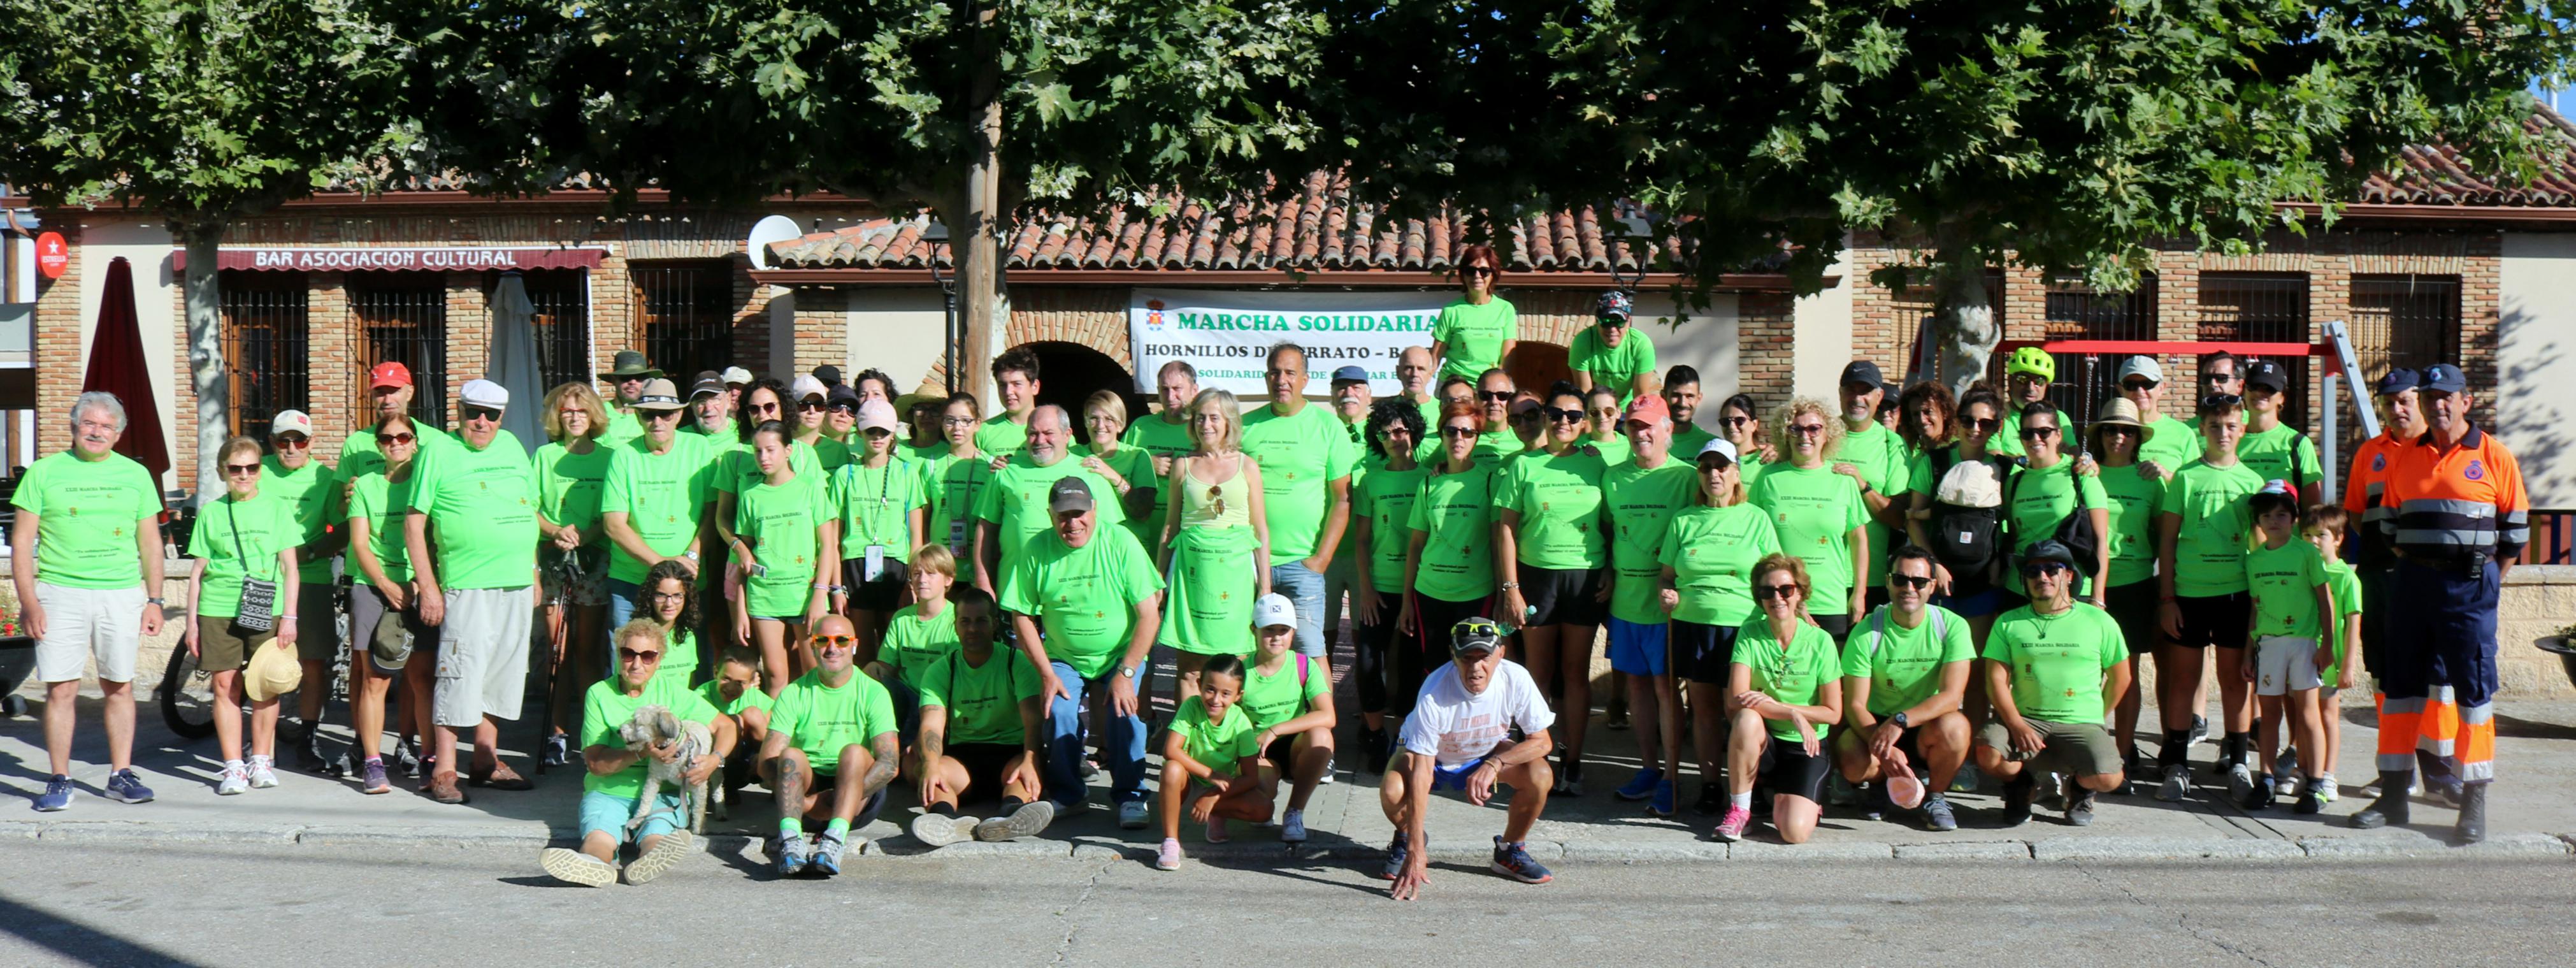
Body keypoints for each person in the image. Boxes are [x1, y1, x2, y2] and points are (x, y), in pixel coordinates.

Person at [2356, 363, 2525, 843]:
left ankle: (2471, 803)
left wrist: (2483, 580)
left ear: (2465, 401)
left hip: (2467, 591)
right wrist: (2419, 564)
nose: (2437, 405)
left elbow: (2513, 536)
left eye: (2446, 396)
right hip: (2412, 584)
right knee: (2400, 689)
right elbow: (2387, 525)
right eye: (2430, 397)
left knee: (2472, 696)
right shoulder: (2404, 456)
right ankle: (2392, 796)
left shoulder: (2494, 456)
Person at [405, 379, 543, 804]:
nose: (481, 422)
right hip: (466, 581)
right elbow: (414, 523)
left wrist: (535, 571)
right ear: (460, 410)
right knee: (458, 672)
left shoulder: (514, 447)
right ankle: (444, 769)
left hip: (516, 578)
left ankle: (485, 759)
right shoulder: (437, 451)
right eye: (472, 413)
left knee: (500, 671)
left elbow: (530, 510)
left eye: (491, 415)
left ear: (503, 416)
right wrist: (428, 586)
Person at [999, 477, 1166, 827]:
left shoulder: (1121, 541)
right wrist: (1046, 673)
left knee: (1126, 712)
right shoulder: (1037, 549)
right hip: (1064, 655)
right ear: (1050, 515)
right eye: (1062, 516)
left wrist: (1127, 673)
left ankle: (1132, 795)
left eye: (1079, 513)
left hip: (1120, 654)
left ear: (1094, 510)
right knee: (1058, 710)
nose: (1072, 523)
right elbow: (1022, 615)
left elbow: (1150, 613)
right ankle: (1069, 794)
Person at [539, 618, 733, 887]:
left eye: (648, 656)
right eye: (628, 654)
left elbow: (726, 726)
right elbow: (595, 763)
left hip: (661, 791)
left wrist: (714, 761)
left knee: (656, 837)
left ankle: (648, 861)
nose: (637, 663)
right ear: (618, 654)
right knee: (599, 838)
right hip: (609, 791)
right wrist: (643, 753)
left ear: (659, 659)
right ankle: (595, 865)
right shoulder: (599, 694)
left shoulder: (672, 692)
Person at [1379, 618, 1557, 898]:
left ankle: (1510, 851)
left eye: (1484, 657)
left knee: (1541, 775)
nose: (1475, 668)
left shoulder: (1516, 677)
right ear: (1453, 655)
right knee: (1393, 790)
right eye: (1466, 658)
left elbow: (1542, 742)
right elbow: (1423, 770)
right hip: (1432, 756)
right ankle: (1406, 837)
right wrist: (1417, 848)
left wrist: (1495, 763)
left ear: (1501, 653)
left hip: (1485, 751)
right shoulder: (1434, 691)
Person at [1495, 380, 1613, 793]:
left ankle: (1574, 762)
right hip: (1536, 578)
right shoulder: (1523, 466)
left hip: (1583, 579)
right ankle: (1537, 758)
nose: (1564, 421)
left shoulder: (1597, 463)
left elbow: (1612, 524)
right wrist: (1510, 587)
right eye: (1557, 414)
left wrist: (1611, 569)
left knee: (1575, 674)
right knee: (1537, 675)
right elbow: (1506, 529)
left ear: (1584, 423)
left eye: (1574, 415)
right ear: (1545, 417)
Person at [1975, 540, 2133, 827]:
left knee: (2110, 777)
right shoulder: (2009, 623)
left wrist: (2096, 716)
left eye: (2051, 569)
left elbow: (2122, 677)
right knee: (1988, 752)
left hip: (2080, 723)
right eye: (2033, 572)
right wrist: (2017, 724)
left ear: (2069, 576)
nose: (2042, 577)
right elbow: (1995, 679)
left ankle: (2080, 790)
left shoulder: (2099, 621)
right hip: (2026, 719)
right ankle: (2021, 786)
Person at [2154, 391, 2264, 802]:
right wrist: (2168, 599)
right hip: (2189, 595)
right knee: (2183, 680)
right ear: (2201, 428)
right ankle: (2177, 764)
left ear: (2242, 428)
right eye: (2214, 425)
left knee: (2235, 682)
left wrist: (2258, 605)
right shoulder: (2185, 476)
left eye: (2231, 425)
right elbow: (2166, 540)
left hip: (2235, 595)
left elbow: (2257, 547)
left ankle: (2237, 761)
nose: (2222, 432)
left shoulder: (2251, 482)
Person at [1660, 438, 1780, 816]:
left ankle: (1748, 787)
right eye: (1707, 467)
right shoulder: (1684, 519)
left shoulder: (1756, 517)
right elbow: (1666, 575)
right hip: (1691, 625)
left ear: (1735, 472)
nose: (1714, 474)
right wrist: (1667, 593)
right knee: (1704, 711)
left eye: (1722, 467)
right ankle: (1711, 786)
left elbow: (1772, 573)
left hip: (1742, 628)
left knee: (1739, 710)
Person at [186, 435, 305, 795]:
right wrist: (191, 622)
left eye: (252, 468)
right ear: (223, 471)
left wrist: (290, 617)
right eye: (236, 468)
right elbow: (197, 572)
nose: (244, 475)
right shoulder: (211, 512)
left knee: (266, 685)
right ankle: (233, 766)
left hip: (265, 607)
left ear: (260, 471)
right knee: (225, 685)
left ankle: (262, 761)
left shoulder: (276, 508)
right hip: (218, 607)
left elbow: (290, 568)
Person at [1600, 394, 1696, 815]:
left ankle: (1674, 777)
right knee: (1637, 687)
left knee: (1664, 689)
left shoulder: (1688, 477)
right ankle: (1648, 768)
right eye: (1633, 425)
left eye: (1648, 425)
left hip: (1667, 606)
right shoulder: (1613, 477)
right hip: (1625, 601)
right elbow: (1605, 530)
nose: (1641, 433)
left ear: (1667, 428)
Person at [1836, 547, 1975, 830]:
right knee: (1850, 754)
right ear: (1888, 582)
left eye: (1919, 582)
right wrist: (1884, 747)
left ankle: (1935, 796)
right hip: (1877, 724)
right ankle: (1880, 786)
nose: (1908, 588)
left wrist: (1900, 722)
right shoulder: (1866, 631)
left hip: (1925, 726)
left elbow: (1951, 696)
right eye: (1900, 580)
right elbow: (1855, 706)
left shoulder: (1952, 626)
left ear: (1932, 586)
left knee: (1957, 728)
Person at [1242, 343, 1361, 667]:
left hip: (1302, 564)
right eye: (1275, 372)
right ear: (1266, 377)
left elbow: (1343, 498)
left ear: (1305, 379)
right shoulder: (1245, 427)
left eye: (1290, 373)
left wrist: (1321, 559)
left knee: (1311, 650)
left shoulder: (1327, 426)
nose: (1282, 380)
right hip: (1250, 562)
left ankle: (1322, 719)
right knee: (1248, 650)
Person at [907, 587, 1053, 848]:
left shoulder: (1016, 662)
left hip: (1009, 754)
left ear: (994, 624)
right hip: (962, 758)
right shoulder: (942, 670)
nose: (973, 629)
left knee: (1026, 770)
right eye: (965, 621)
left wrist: (1032, 759)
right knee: (929, 771)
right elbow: (931, 725)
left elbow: (1033, 719)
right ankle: (946, 822)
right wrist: (929, 765)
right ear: (956, 626)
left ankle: (1009, 817)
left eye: (981, 621)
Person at [1714, 554, 1844, 844]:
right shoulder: (1750, 633)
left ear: (1799, 593)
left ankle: (1801, 805)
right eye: (1767, 591)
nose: (1777, 598)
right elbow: (1736, 701)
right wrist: (1793, 714)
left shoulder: (1820, 641)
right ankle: (1740, 812)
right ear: (1759, 597)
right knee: (1747, 718)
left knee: (1793, 833)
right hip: (1767, 742)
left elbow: (1833, 713)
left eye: (1786, 590)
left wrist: (1782, 707)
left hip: (1805, 746)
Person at [763, 614, 902, 877]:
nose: (832, 647)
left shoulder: (874, 692)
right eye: (822, 640)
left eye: (841, 640)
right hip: (805, 793)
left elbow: (889, 765)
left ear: (854, 645)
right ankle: (791, 842)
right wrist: (805, 803)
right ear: (813, 645)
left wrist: (839, 799)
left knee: (853, 753)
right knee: (790, 754)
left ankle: (835, 841)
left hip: (859, 796)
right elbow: (767, 762)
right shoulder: (794, 693)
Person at [1158, 387, 1269, 700]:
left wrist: (1265, 586)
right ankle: (1187, 739)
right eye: (1200, 417)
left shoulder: (1247, 466)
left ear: (1229, 422)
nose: (1206, 425)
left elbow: (1259, 528)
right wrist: (1159, 579)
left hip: (1236, 578)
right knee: (1191, 668)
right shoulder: (1183, 466)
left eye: (1214, 418)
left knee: (1235, 665)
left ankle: (1231, 742)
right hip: (1192, 575)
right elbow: (1170, 525)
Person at [343, 414, 432, 794]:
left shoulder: (427, 482)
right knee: (374, 679)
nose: (395, 443)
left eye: (403, 436)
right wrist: (384, 583)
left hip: (417, 585)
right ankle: (374, 762)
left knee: (422, 678)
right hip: (372, 586)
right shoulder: (364, 484)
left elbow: (434, 537)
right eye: (387, 438)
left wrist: (420, 582)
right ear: (378, 445)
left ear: (415, 442)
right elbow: (361, 544)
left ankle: (428, 758)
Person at [533, 383, 616, 769]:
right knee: (558, 653)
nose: (574, 417)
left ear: (594, 416)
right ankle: (557, 733)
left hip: (595, 560)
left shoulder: (610, 457)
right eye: (567, 411)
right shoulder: (543, 456)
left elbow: (614, 514)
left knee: (588, 652)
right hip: (554, 561)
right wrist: (555, 533)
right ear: (557, 416)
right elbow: (531, 509)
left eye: (582, 412)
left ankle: (590, 732)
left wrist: (586, 537)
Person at [257, 410, 345, 772]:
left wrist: (307, 552)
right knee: (261, 661)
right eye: (284, 441)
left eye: (301, 441)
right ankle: (261, 745)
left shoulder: (325, 478)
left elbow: (341, 532)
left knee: (312, 665)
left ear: (311, 443)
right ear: (272, 443)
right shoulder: (255, 470)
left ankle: (307, 742)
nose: (292, 448)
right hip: (263, 579)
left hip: (311, 579)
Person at [721, 421, 838, 688]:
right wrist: (740, 609)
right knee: (775, 675)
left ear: (788, 450)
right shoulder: (751, 497)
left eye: (771, 450)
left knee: (814, 672)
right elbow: (744, 559)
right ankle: (775, 730)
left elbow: (828, 545)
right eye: (758, 451)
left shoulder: (810, 487)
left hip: (805, 596)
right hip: (764, 598)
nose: (764, 458)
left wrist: (821, 594)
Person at [2240, 480, 2333, 813]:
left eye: (2281, 514)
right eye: (2266, 516)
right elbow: (2254, 607)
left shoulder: (2307, 552)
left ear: (2294, 519)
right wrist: (2249, 652)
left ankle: (2317, 784)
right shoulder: (2253, 561)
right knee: (2269, 715)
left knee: (2308, 714)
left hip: (2304, 644)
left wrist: (2328, 645)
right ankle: (2265, 781)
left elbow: (2325, 601)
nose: (2273, 521)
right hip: (2269, 644)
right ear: (2259, 522)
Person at [2088, 398, 2169, 773]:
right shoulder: (2087, 473)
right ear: (2099, 434)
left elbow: (2163, 532)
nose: (2118, 436)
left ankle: (2123, 750)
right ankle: (2088, 745)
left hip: (2136, 583)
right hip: (2090, 585)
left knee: (2126, 672)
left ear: (2137, 437)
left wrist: (2167, 476)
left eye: (2126, 430)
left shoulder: (2149, 480)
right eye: (2110, 429)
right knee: (2087, 673)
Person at [1349, 398, 1430, 772]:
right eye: (1385, 434)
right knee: (1368, 664)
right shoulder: (1371, 480)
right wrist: (1365, 589)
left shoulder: (1429, 476)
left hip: (1419, 588)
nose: (1394, 438)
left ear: (1413, 430)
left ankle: (1406, 739)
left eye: (1400, 430)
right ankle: (1376, 735)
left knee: (1411, 668)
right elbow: (1362, 540)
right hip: (1378, 587)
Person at [1748, 397, 1869, 640]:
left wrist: (1859, 593)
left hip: (1830, 600)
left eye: (1814, 428)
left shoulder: (1843, 481)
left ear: (1827, 435)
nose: (1805, 435)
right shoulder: (1768, 478)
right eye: (1796, 428)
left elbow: (1859, 541)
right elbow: (1751, 536)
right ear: (1786, 434)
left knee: (1831, 677)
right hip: (1779, 599)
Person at [2342, 367, 2426, 714]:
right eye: (2389, 403)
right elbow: (2357, 514)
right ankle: (2393, 745)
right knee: (2381, 661)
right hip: (2377, 573)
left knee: (2425, 661)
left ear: (2420, 401)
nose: (2397, 410)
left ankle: (2430, 751)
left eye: (2405, 401)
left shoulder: (2437, 448)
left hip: (2425, 574)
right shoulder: (2369, 453)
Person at [972, 405, 1127, 593]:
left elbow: (1114, 537)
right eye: (1032, 433)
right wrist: (983, 582)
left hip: (1075, 597)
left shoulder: (1091, 474)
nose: (1040, 440)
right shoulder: (1005, 471)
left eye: (1048, 433)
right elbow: (986, 529)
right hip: (1015, 593)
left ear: (1067, 434)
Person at [599, 379, 714, 630]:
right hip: (631, 580)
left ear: (679, 415)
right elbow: (613, 525)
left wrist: (690, 557)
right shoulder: (623, 456)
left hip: (687, 581)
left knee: (690, 660)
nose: (658, 422)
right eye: (650, 415)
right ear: (638, 416)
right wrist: (663, 565)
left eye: (665, 414)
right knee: (629, 661)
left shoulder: (699, 447)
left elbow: (712, 512)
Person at [1400, 401, 1500, 688]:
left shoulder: (1491, 481)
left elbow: (1497, 543)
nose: (1459, 438)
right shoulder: (1429, 484)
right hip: (1430, 593)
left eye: (1467, 432)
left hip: (1476, 593)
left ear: (1477, 437)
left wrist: (1505, 593)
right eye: (1451, 431)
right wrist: (1407, 601)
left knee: (1476, 670)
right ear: (1442, 434)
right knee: (1435, 671)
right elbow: (1417, 545)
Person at [1153, 655, 1269, 871]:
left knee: (1264, 810)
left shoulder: (1241, 723)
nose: (1216, 699)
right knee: (1172, 768)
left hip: (1221, 786)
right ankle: (1170, 842)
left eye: (1226, 694)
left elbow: (1251, 777)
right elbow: (1170, 750)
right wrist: (1208, 774)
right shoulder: (1191, 707)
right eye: (1210, 689)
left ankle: (1215, 812)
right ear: (1199, 685)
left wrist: (1212, 796)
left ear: (1238, 696)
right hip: (1191, 779)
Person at [1239, 593, 1337, 842]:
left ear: (1293, 633)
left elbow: (1328, 715)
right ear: (1254, 630)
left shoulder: (1305, 665)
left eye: (1283, 630)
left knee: (1322, 737)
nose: (1276, 637)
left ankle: (1295, 811)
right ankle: (1265, 802)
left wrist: (1276, 730)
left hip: (1294, 744)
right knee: (1261, 806)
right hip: (1257, 748)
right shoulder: (1240, 669)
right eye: (1269, 629)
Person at [830, 399, 925, 654]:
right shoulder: (845, 474)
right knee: (860, 648)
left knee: (893, 648)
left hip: (896, 565)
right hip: (856, 564)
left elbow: (917, 536)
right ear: (859, 432)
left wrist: (912, 582)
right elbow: (834, 540)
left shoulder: (907, 472)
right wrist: (837, 587)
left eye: (883, 431)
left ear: (893, 434)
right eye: (871, 430)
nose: (877, 437)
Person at [2003, 402, 2112, 598]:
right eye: (2028, 433)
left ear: (2059, 435)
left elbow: (2101, 541)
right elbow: (2013, 535)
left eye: (2044, 432)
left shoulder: (2081, 474)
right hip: (2022, 589)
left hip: (2072, 589)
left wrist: (2098, 596)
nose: (2035, 439)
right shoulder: (2014, 481)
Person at [2301, 503, 2364, 803]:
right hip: (2302, 657)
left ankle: (2328, 775)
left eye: (2321, 535)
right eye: (2307, 534)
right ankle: (2306, 771)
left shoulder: (2346, 578)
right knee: (2304, 716)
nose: (2313, 541)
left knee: (2328, 717)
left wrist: (2348, 665)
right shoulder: (2302, 570)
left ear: (2338, 538)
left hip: (2330, 662)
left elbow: (2354, 624)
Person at [1835, 363, 1910, 607]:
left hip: (1870, 579)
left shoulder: (1892, 444)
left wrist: (1863, 486)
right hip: (1821, 575)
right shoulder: (1820, 433)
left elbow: (1899, 518)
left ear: (1879, 396)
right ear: (1840, 394)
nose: (1857, 398)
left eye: (1865, 391)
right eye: (1851, 390)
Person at [867, 542, 961, 726]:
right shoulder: (901, 618)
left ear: (948, 579)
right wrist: (874, 669)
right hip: (907, 695)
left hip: (941, 698)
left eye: (931, 573)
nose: (922, 580)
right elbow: (886, 666)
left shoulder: (958, 618)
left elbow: (957, 675)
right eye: (917, 574)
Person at [1119, 360, 1202, 559]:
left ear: (1194, 390)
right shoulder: (1140, 428)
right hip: (1142, 534)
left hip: (1187, 536)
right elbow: (1117, 470)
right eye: (1164, 389)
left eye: (1177, 389)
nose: (1170, 396)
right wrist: (1146, 467)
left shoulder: (1202, 430)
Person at [1325, 365, 1377, 656]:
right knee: (1321, 636)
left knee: (1365, 637)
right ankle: (1321, 700)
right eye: (1342, 388)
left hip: (1367, 552)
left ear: (1369, 394)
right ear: (1332, 395)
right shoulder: (1320, 431)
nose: (1349, 394)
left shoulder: (1382, 435)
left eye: (1357, 387)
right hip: (1327, 551)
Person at [1074, 389, 1158, 553]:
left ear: (1120, 425)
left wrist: (1114, 477)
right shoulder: (1072, 454)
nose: (1100, 426)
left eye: (1109, 419)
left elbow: (1143, 513)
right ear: (1085, 422)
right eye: (1094, 418)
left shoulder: (1137, 456)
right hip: (1088, 549)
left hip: (1128, 547)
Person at [338, 361, 454, 479]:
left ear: (410, 393)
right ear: (372, 396)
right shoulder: (355, 444)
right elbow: (340, 493)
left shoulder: (435, 439)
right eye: (380, 393)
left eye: (394, 391)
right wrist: (348, 493)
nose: (388, 400)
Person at [1430, 243, 1517, 383]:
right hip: (1453, 386)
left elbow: (1507, 359)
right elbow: (1434, 358)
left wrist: (1494, 387)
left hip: (1488, 388)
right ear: (1463, 275)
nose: (1477, 276)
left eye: (1484, 271)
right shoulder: (1451, 310)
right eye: (1471, 271)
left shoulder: (1505, 310)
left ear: (1493, 275)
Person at [2236, 360, 2324, 493]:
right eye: (2255, 386)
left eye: (2270, 389)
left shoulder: (2298, 443)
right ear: (2244, 391)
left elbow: (2312, 510)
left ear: (2282, 397)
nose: (2261, 392)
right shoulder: (2231, 438)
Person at [700, 646, 772, 803]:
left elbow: (778, 722)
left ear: (752, 682)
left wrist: (765, 755)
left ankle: (771, 773)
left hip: (751, 759)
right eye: (726, 678)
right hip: (721, 761)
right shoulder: (701, 697)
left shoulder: (754, 696)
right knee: (732, 722)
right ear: (715, 672)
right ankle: (727, 785)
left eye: (740, 683)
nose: (731, 688)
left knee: (753, 714)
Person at [926, 393, 995, 559]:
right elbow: (923, 518)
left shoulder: (990, 465)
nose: (957, 428)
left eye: (965, 421)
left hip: (978, 562)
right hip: (939, 563)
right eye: (950, 420)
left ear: (977, 424)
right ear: (942, 424)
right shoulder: (931, 465)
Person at [2113, 356, 2202, 470]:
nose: (2140, 391)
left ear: (2161, 388)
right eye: (2131, 385)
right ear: (2121, 390)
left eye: (2147, 384)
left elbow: (2194, 481)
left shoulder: (2183, 434)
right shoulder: (2110, 432)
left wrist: (2166, 476)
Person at [1569, 290, 1659, 402]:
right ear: (1597, 320)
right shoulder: (1583, 342)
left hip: (1629, 408)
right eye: (1606, 321)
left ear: (1628, 321)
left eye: (1619, 322)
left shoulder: (1640, 344)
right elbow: (1585, 393)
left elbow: (1640, 396)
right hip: (1598, 408)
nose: (1612, 329)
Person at [1988, 347, 2055, 458]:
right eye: (2023, 379)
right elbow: (1996, 460)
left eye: (2039, 381)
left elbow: (2072, 457)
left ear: (2046, 386)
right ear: (2010, 381)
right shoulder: (1996, 416)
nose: (2030, 388)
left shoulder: (2058, 418)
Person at [975, 346, 1042, 456]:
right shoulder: (983, 432)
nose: (1008, 392)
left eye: (1017, 384)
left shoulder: (1055, 432)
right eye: (1002, 385)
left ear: (1035, 387)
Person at [787, 375, 851, 470]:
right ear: (791, 407)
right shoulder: (782, 449)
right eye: (803, 405)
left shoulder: (839, 450)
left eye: (819, 405)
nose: (812, 411)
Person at [601, 349, 660, 444]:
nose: (632, 382)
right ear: (614, 379)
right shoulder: (599, 413)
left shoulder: (656, 415)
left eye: (639, 378)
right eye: (626, 377)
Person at [1663, 365, 1720, 458]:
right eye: (1676, 395)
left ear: (1699, 398)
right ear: (1663, 396)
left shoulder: (1711, 446)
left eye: (1690, 396)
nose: (1683, 403)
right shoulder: (1648, 442)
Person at [1715, 392, 1770, 486]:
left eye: (1739, 420)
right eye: (1725, 421)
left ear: (1754, 424)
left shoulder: (1767, 460)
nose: (1732, 426)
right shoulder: (1715, 462)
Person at [2186, 351, 2244, 436]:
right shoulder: (2187, 431)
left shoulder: (2254, 426)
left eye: (2221, 378)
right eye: (2207, 378)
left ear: (2239, 386)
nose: (2213, 384)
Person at [1394, 346, 1442, 431]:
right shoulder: (1387, 410)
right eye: (1409, 368)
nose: (1415, 374)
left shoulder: (1443, 410)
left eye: (1421, 369)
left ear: (1430, 374)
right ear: (1398, 372)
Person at [685, 370, 738, 445]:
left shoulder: (746, 433)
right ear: (693, 407)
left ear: (728, 400)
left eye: (715, 399)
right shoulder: (681, 439)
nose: (709, 408)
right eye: (701, 402)